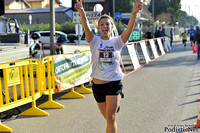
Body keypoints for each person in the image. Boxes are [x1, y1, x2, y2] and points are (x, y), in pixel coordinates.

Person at [74, 0, 142, 132]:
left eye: (108, 24)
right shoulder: (94, 41)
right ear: (99, 28)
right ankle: (114, 107)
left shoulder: (117, 42)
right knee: (107, 117)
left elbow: (129, 29)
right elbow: (86, 26)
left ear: (112, 27)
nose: (105, 26)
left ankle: (114, 104)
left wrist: (133, 13)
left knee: (111, 118)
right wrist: (82, 11)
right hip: (98, 86)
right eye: (102, 24)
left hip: (114, 84)